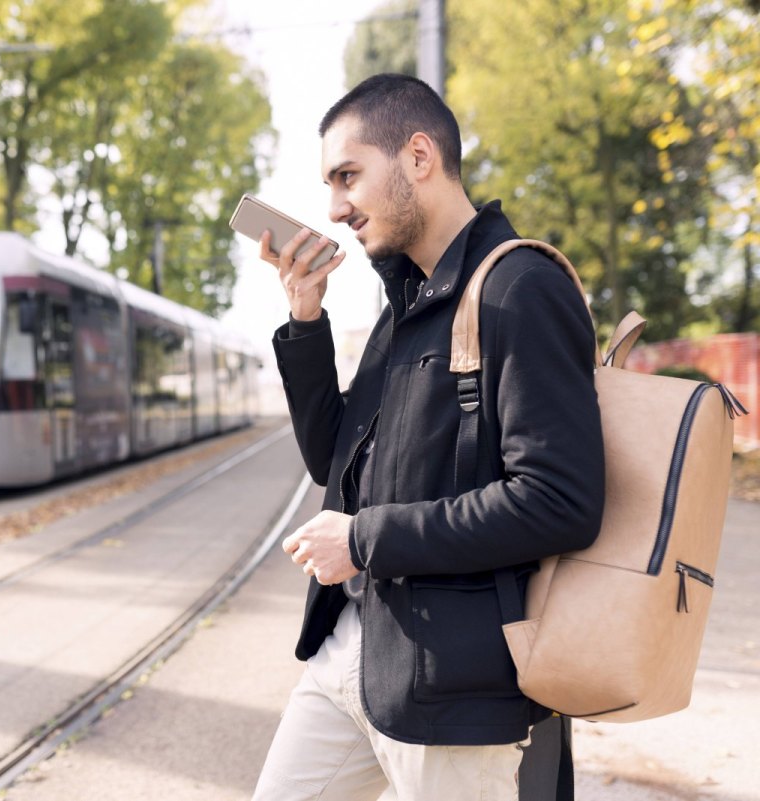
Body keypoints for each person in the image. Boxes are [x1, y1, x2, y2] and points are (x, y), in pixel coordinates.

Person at [252, 74, 605, 801]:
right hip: (351, 653)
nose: (334, 207)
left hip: (451, 687)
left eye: (348, 175)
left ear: (419, 156)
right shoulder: (407, 303)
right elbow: (333, 460)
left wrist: (362, 539)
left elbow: (558, 501)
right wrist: (306, 316)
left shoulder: (519, 289)